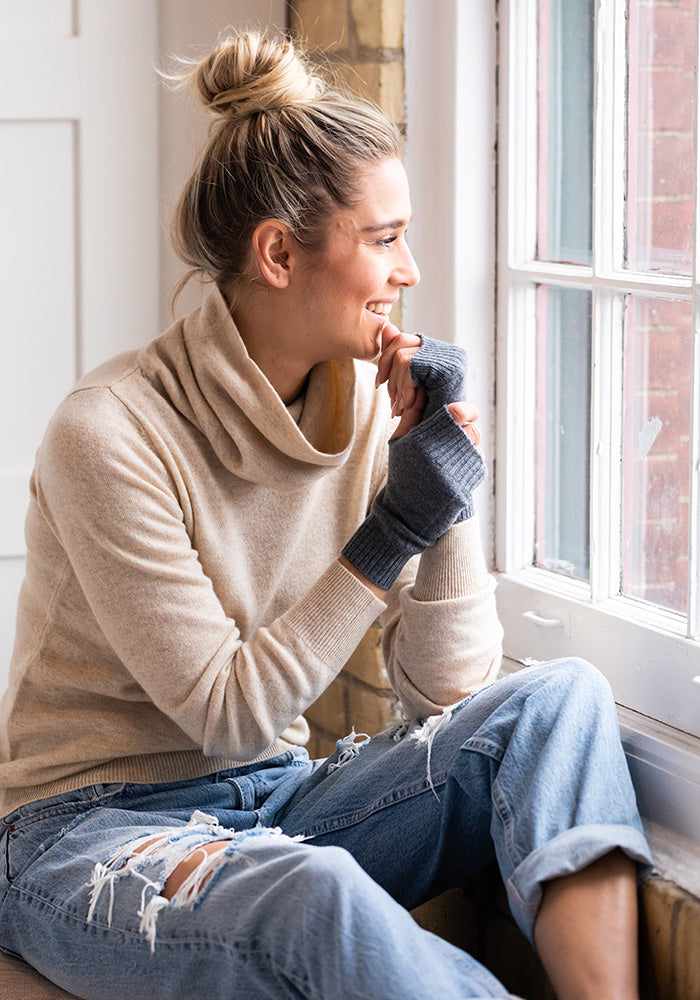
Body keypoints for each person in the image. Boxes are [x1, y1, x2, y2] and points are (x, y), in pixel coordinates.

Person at [0, 29, 651, 1000]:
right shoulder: (110, 432)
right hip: (86, 834)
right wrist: (391, 532)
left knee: (558, 702)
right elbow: (227, 712)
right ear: (277, 252)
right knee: (313, 891)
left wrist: (442, 485)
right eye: (383, 239)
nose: (409, 269)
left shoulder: (362, 415)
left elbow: (450, 688)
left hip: (274, 799)